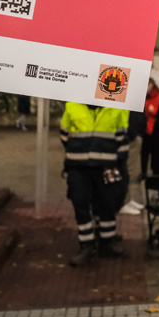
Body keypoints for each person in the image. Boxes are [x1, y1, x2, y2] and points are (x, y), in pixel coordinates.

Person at [61, 101, 130, 266]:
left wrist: (116, 162)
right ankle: (87, 245)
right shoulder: (72, 105)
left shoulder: (114, 107)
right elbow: (64, 134)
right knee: (80, 202)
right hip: (78, 167)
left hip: (106, 166)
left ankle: (107, 242)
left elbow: (121, 138)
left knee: (107, 201)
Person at [140, 79, 159, 179]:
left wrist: (152, 110)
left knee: (154, 151)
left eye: (149, 84)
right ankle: (144, 172)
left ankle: (154, 171)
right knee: (144, 152)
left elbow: (158, 111)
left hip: (154, 127)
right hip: (145, 127)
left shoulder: (158, 96)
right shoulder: (144, 97)